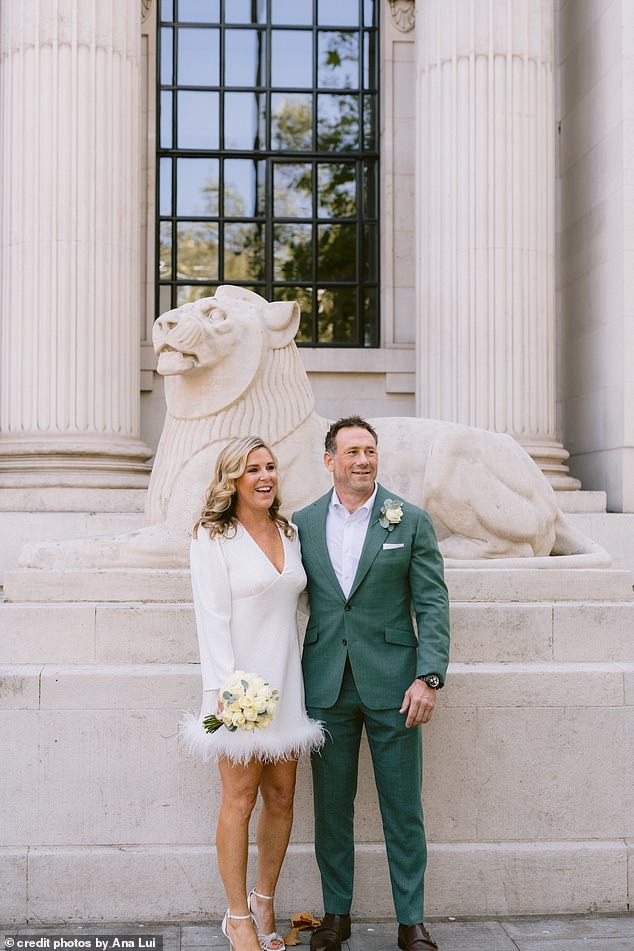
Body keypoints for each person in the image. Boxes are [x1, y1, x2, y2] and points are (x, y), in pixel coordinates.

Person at [293, 417, 451, 951]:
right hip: (326, 688)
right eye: (352, 451)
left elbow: (431, 603)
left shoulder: (410, 520)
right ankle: (336, 917)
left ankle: (412, 922)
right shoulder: (303, 524)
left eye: (370, 450)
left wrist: (429, 677)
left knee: (402, 809)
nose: (363, 460)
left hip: (397, 688)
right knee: (331, 811)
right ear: (329, 460)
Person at [184, 435, 324, 951]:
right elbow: (211, 617)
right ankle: (237, 916)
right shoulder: (211, 535)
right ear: (232, 480)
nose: (265, 477)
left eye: (270, 467)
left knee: (282, 797)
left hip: (287, 683)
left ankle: (265, 899)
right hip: (236, 689)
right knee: (239, 799)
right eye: (252, 470)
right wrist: (224, 690)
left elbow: (301, 607)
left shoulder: (288, 531)